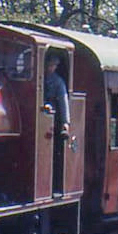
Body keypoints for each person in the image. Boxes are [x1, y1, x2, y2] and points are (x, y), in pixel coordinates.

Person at [43, 53, 70, 193]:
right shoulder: (40, 78)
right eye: (50, 65)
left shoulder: (58, 82)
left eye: (53, 66)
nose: (51, 68)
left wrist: (65, 122)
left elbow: (63, 101)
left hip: (53, 120)